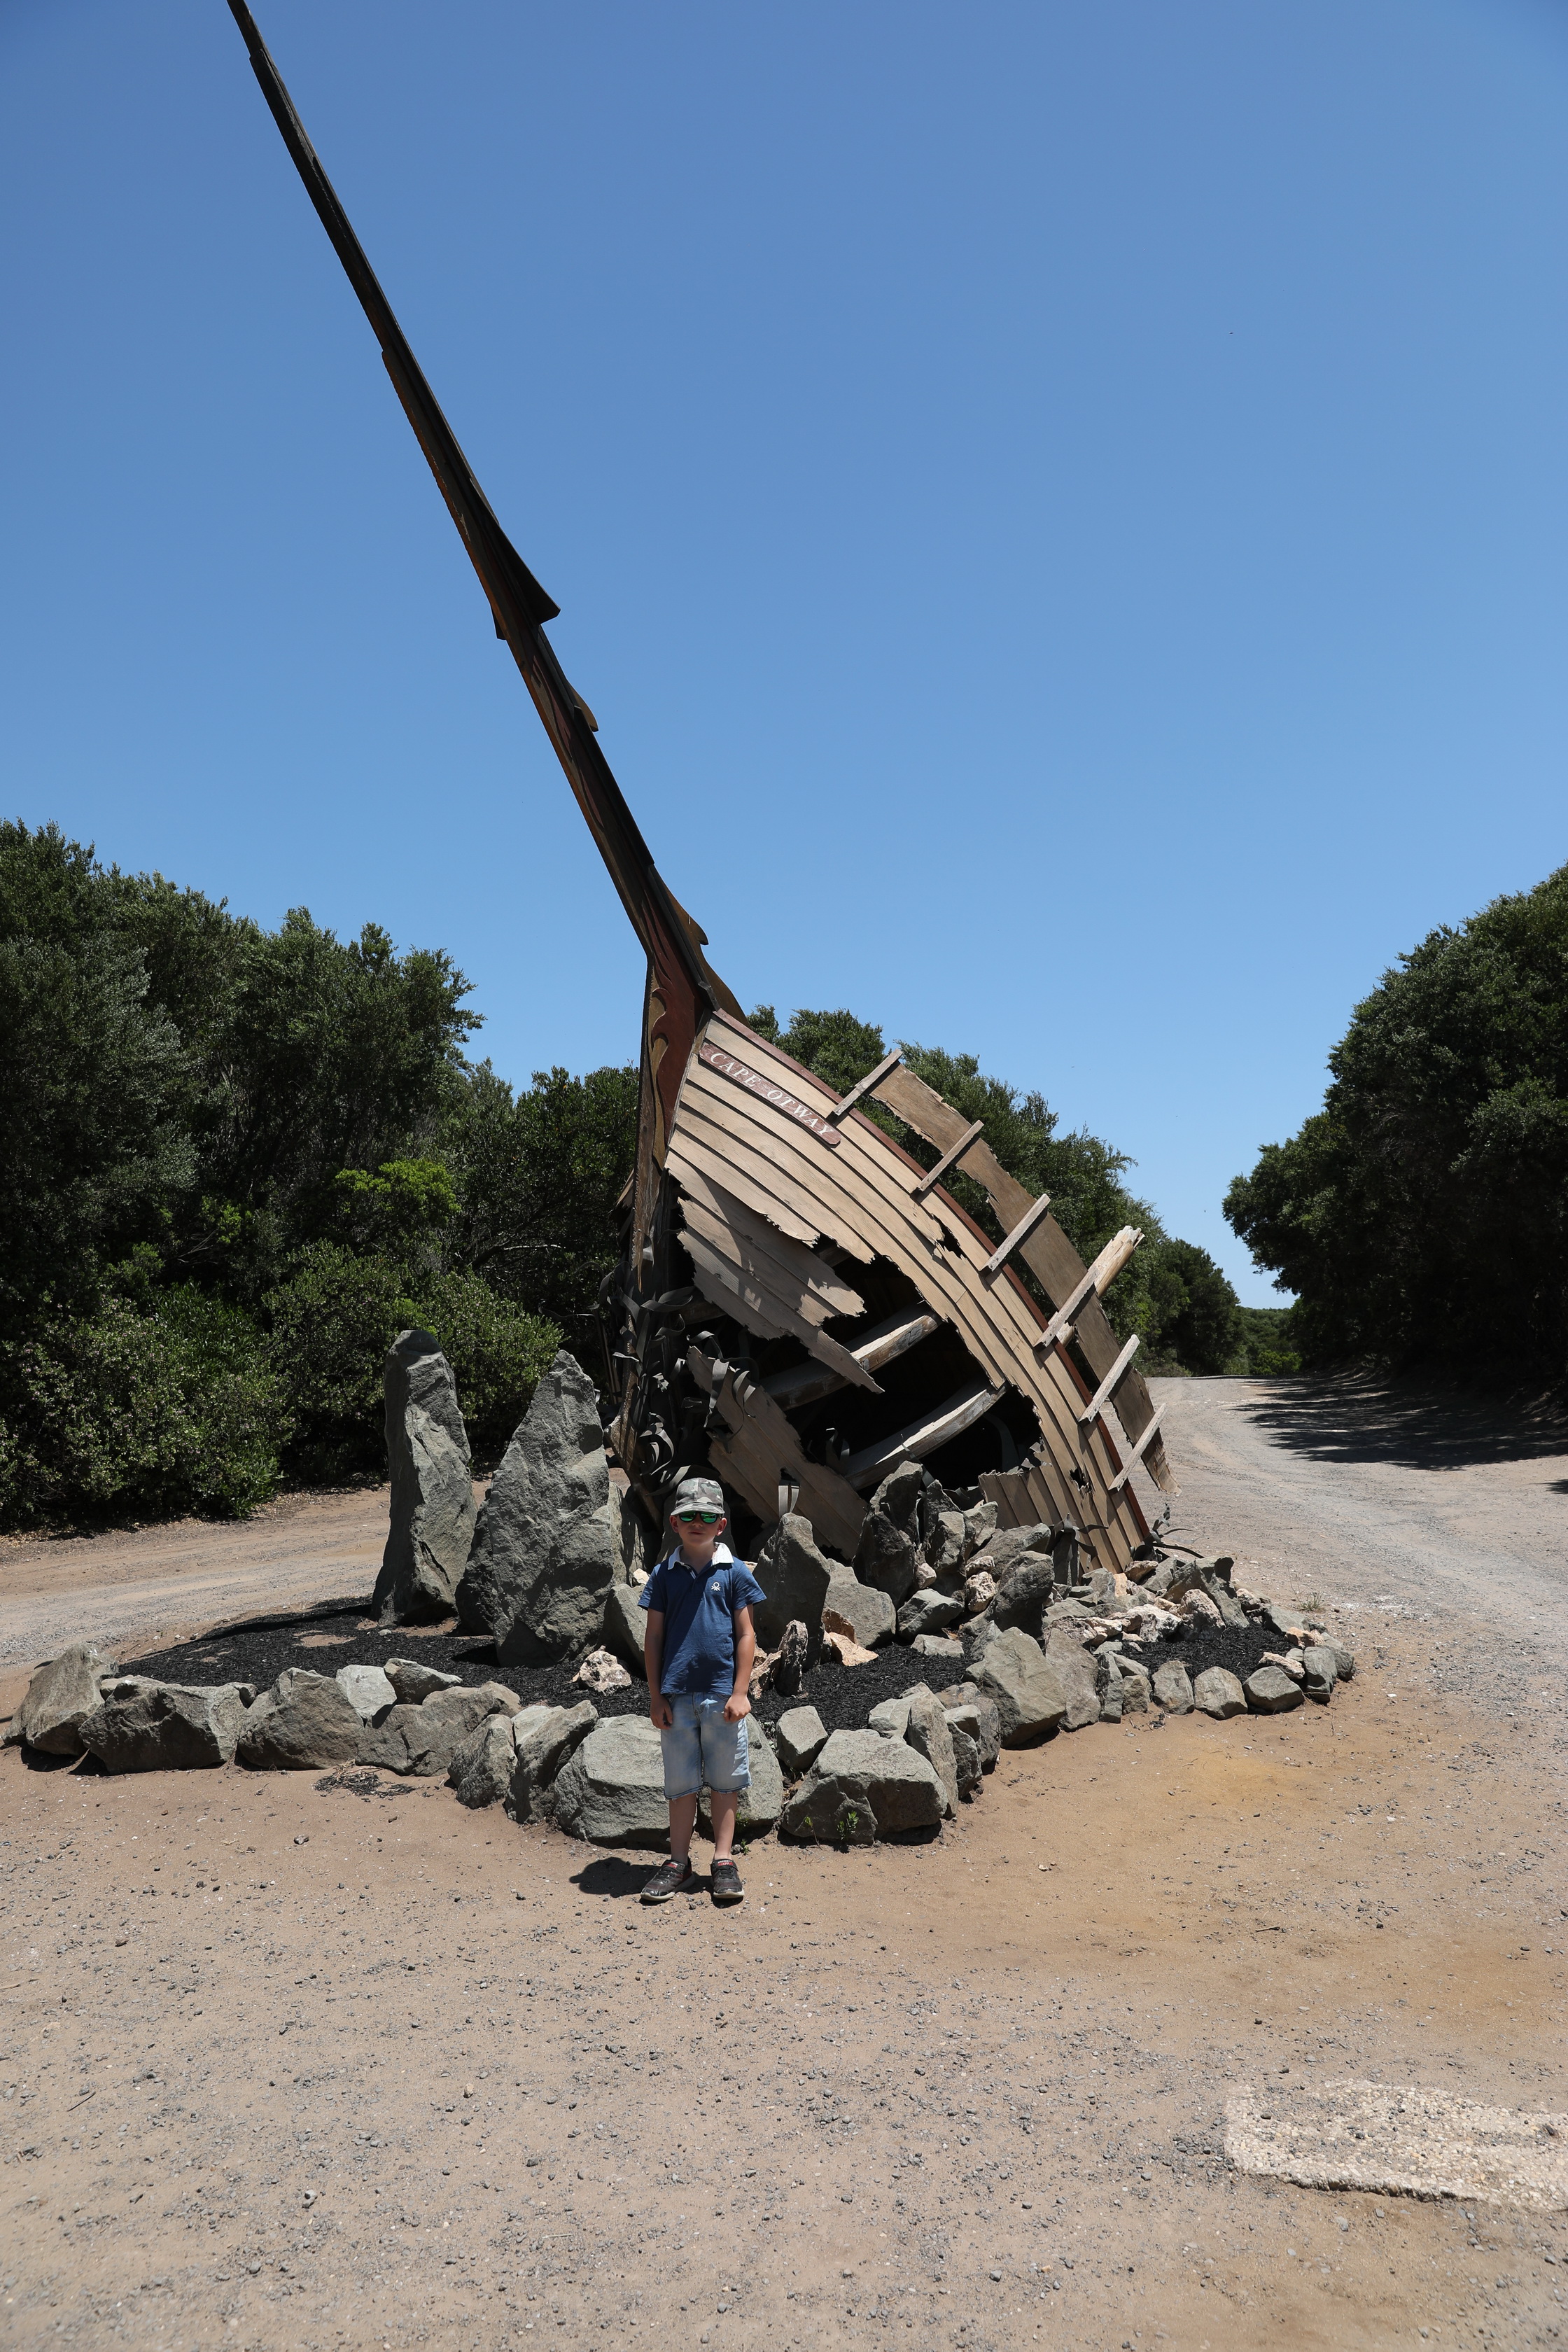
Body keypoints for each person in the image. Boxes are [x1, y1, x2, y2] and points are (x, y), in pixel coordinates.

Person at [638, 1475, 764, 1907]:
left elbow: (746, 1634)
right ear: (674, 1523)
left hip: (721, 1698)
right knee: (681, 1783)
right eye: (688, 1515)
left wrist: (741, 1691)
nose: (698, 1522)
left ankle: (724, 1859)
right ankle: (678, 1862)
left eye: (707, 1516)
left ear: (721, 1524)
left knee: (725, 1780)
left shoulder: (734, 1572)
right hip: (676, 1699)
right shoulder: (663, 1575)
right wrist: (655, 1696)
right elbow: (652, 1639)